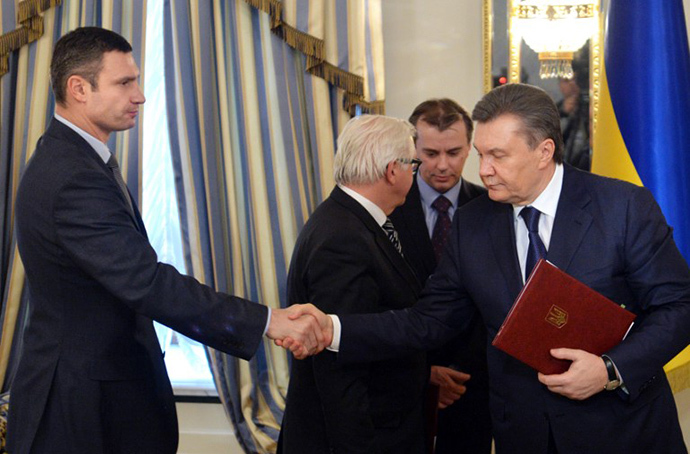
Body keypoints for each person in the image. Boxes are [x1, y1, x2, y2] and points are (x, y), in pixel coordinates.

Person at [290, 83, 690, 453]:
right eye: (481, 155)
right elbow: (428, 320)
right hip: (523, 434)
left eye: (498, 156)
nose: (483, 170)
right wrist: (332, 328)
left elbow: (679, 307)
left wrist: (609, 370)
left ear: (544, 152)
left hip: (624, 431)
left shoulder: (623, 207)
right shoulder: (472, 222)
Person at [8, 27, 326, 454]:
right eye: (124, 82)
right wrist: (269, 321)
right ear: (78, 89)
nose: (139, 95)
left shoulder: (79, 159)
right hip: (82, 410)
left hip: (100, 397)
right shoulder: (71, 176)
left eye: (136, 80)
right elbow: (147, 283)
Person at [279, 115, 428, 453]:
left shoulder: (348, 219)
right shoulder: (343, 237)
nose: (414, 173)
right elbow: (340, 367)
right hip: (361, 437)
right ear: (393, 170)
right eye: (413, 164)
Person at [389, 98, 491, 454]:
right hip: (401, 381)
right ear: (411, 150)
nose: (443, 166)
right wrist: (423, 370)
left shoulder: (493, 209)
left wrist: (460, 372)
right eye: (430, 153)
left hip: (473, 384)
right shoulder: (386, 209)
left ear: (470, 149)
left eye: (454, 152)